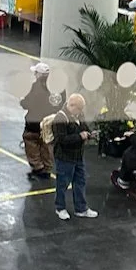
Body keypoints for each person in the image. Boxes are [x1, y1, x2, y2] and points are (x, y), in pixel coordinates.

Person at [51, 93, 97, 221]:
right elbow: (61, 139)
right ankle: (60, 208)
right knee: (62, 183)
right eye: (79, 108)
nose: (81, 112)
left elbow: (83, 127)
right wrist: (79, 137)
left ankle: (81, 209)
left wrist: (89, 133)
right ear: (71, 105)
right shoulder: (60, 118)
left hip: (78, 157)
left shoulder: (78, 114)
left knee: (80, 182)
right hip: (64, 158)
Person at [21, 62, 59, 181]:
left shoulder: (35, 87)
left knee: (31, 142)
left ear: (38, 75)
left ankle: (38, 168)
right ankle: (47, 168)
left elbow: (28, 103)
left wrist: (22, 101)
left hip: (34, 123)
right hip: (49, 123)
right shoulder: (56, 88)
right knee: (46, 145)